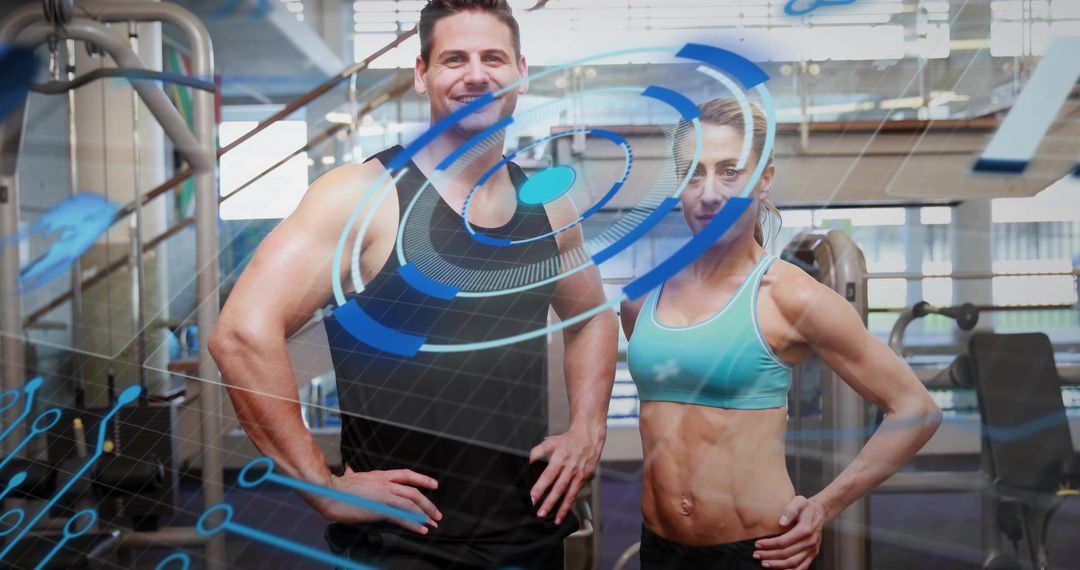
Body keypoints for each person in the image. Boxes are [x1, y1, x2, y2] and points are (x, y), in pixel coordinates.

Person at [208, 1, 617, 568]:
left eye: (493, 58)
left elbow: (593, 315)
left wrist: (588, 429)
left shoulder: (549, 207)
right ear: (422, 73)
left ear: (521, 71)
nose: (476, 74)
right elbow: (241, 335)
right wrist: (319, 482)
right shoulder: (362, 197)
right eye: (454, 59)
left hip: (526, 531)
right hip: (404, 541)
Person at [619, 98, 943, 570]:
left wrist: (825, 505)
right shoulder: (642, 295)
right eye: (693, 173)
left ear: (764, 178)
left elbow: (916, 409)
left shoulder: (791, 297)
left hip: (758, 554)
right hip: (660, 548)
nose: (709, 193)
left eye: (730, 171)